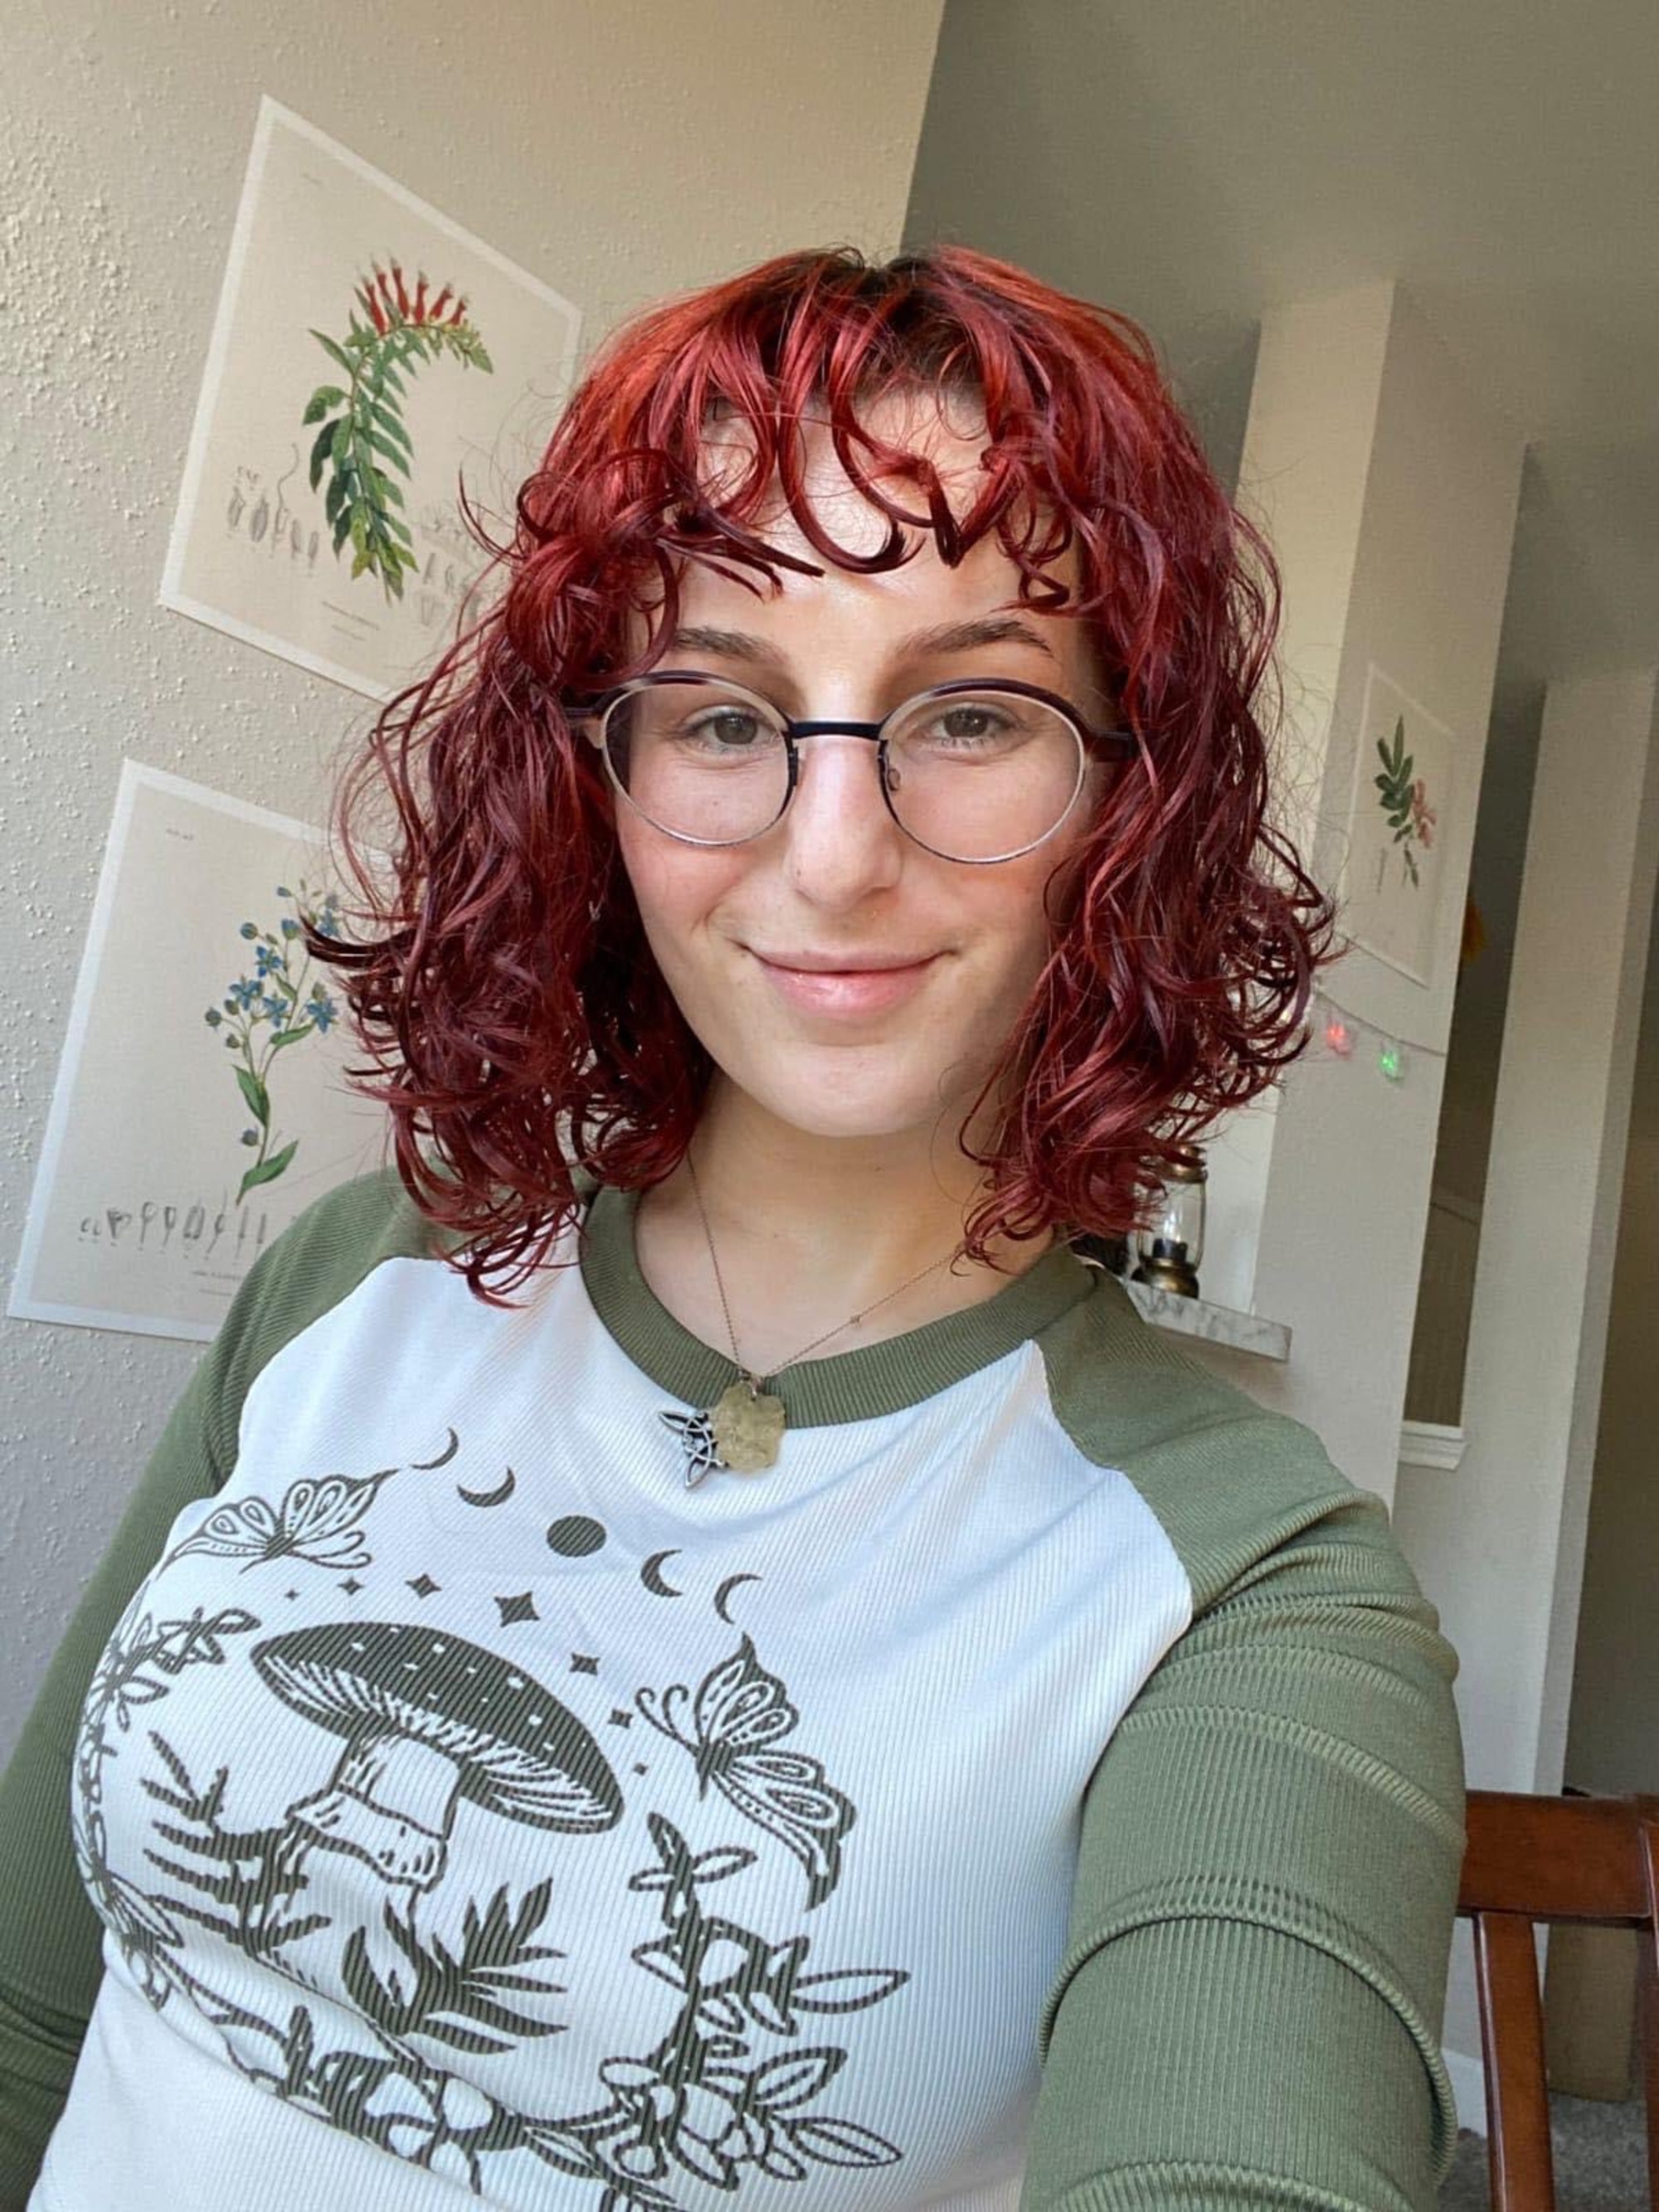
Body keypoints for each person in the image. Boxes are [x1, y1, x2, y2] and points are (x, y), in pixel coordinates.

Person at [0, 245, 1466, 2212]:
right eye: (715, 714)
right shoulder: (360, 1277)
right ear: (594, 780)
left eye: (973, 714)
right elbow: (32, 2012)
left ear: (1133, 799)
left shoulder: (1250, 1588)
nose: (834, 854)